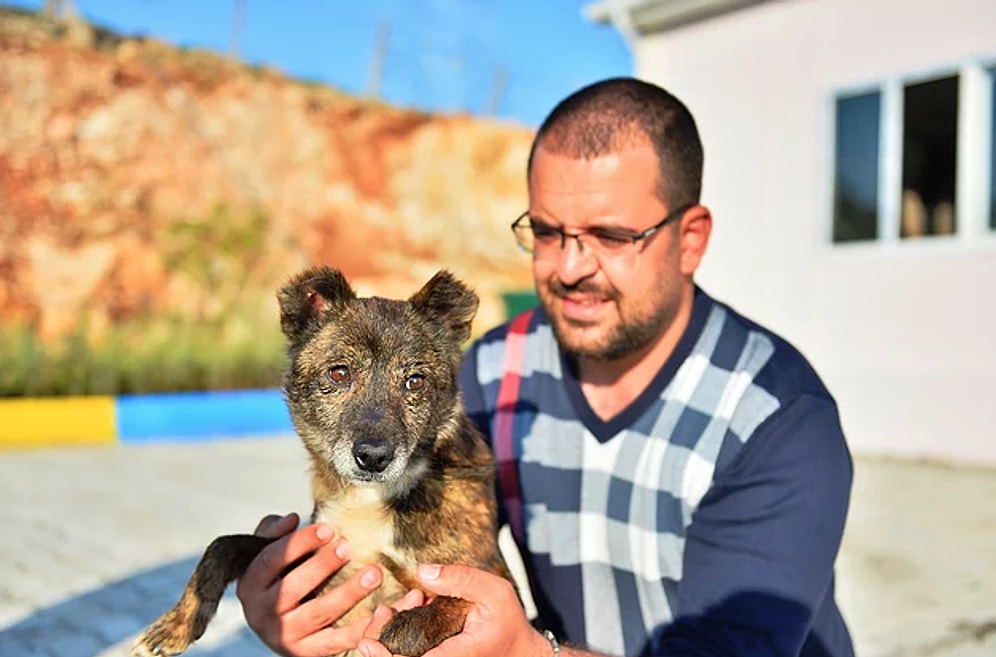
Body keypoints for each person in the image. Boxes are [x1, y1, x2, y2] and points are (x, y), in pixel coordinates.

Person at [236, 76, 856, 657]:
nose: (568, 267)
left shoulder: (774, 420)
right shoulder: (494, 371)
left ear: (690, 239)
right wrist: (309, 605)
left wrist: (529, 652)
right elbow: (418, 547)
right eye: (549, 231)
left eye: (611, 236)